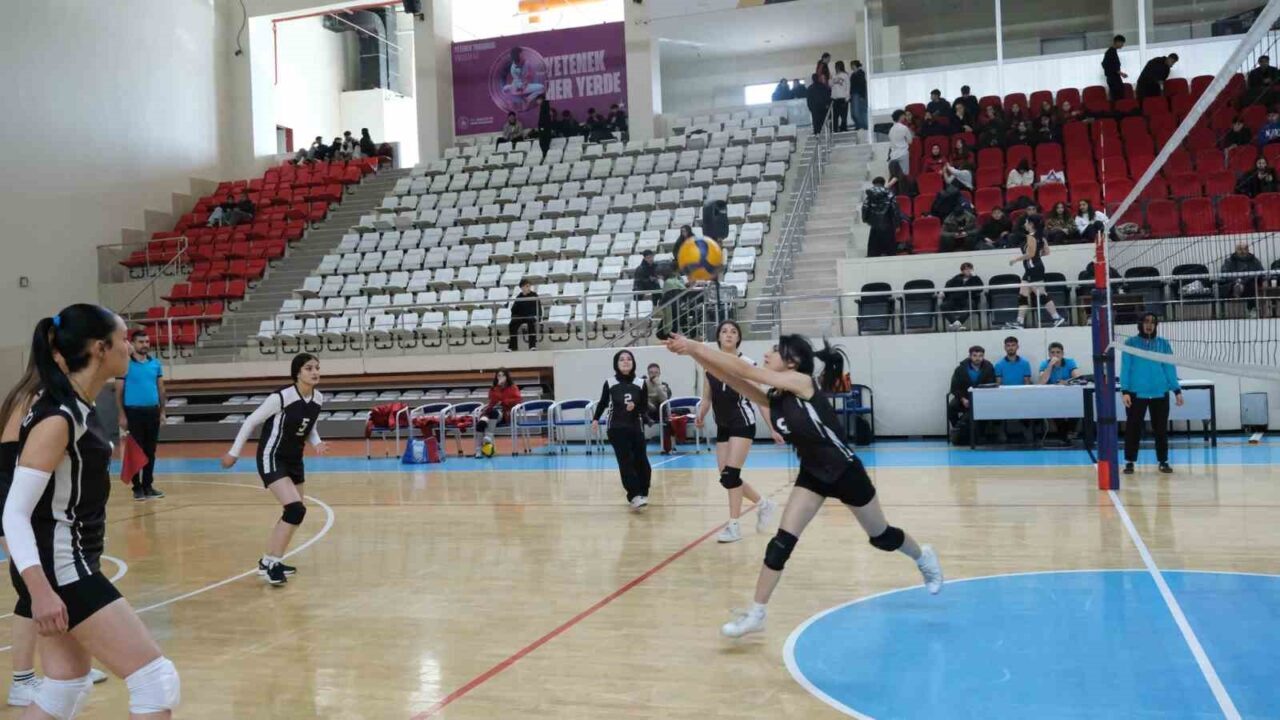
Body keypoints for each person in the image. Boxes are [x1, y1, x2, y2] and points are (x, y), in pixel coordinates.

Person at [664, 332, 943, 638]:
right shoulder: (776, 398)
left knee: (882, 537)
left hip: (846, 471)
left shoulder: (803, 382)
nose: (768, 354)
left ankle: (922, 556)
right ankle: (756, 613)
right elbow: (734, 380)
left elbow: (745, 371)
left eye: (774, 351)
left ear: (792, 362)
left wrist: (695, 346)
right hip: (812, 474)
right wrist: (692, 355)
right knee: (781, 544)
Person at [5, 305, 180, 717]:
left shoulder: (77, 406)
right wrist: (41, 591)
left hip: (66, 562)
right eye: (123, 339)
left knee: (64, 684)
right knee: (156, 680)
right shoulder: (58, 417)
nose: (129, 347)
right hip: (60, 568)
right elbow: (14, 512)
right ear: (101, 349)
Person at [221, 354, 328, 586]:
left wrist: (316, 442)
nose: (315, 372)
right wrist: (234, 453)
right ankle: (271, 563)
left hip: (295, 459)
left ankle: (269, 560)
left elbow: (310, 427)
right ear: (297, 373)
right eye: (309, 368)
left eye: (317, 368)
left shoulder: (318, 398)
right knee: (294, 509)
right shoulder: (281, 397)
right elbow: (251, 421)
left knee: (297, 513)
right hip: (272, 456)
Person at [693, 321, 781, 544]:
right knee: (726, 478)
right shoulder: (709, 364)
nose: (728, 335)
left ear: (739, 338)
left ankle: (733, 526)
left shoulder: (747, 364)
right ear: (719, 338)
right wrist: (701, 413)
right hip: (722, 424)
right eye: (724, 331)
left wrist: (773, 428)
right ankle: (763, 503)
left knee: (731, 475)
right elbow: (707, 397)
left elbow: (761, 400)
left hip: (742, 423)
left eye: (733, 332)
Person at [1121, 313, 1183, 474]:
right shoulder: (1130, 343)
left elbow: (1170, 368)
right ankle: (1129, 462)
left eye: (1153, 322)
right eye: (1146, 322)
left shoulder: (1163, 344)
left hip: (1160, 392)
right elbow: (1125, 368)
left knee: (1160, 429)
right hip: (1136, 392)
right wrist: (1125, 390)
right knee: (1133, 428)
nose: (1149, 325)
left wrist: (1176, 390)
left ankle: (1163, 461)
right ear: (1140, 324)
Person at [592, 350, 652, 510]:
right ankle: (633, 495)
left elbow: (645, 406)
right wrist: (596, 418)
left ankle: (643, 491)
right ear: (616, 364)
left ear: (633, 363)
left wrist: (636, 407)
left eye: (629, 359)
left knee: (642, 461)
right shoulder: (610, 382)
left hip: (635, 427)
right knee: (626, 461)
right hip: (616, 428)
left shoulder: (640, 383)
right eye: (622, 359)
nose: (625, 362)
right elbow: (603, 402)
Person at [115, 329, 166, 501]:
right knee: (135, 451)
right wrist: (122, 415)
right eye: (141, 342)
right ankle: (137, 488)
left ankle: (148, 485)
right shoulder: (124, 365)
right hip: (133, 412)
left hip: (152, 412)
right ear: (133, 343)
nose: (145, 345)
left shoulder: (156, 364)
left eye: (147, 341)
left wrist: (163, 411)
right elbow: (119, 392)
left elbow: (160, 388)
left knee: (150, 451)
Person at [1006, 214, 1066, 329]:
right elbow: (1047, 252)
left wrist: (1015, 259)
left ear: (1031, 224)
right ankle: (1019, 321)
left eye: (1026, 222)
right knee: (1023, 294)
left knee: (1041, 294)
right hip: (1033, 267)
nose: (1024, 224)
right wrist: (1037, 256)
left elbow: (1030, 254)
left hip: (1033, 268)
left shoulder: (1031, 237)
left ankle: (1057, 317)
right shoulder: (1041, 236)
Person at [1036, 342, 1082, 446]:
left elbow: (1078, 378)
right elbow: (1041, 382)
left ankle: (1069, 433)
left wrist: (1066, 382)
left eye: (1058, 352)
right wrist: (1050, 366)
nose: (1055, 355)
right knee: (1055, 410)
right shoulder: (1045, 364)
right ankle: (1065, 435)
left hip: (1069, 396)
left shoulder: (1070, 362)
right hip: (1053, 398)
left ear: (1062, 353)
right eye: (1052, 353)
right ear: (1049, 354)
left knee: (1078, 406)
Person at [948, 345, 996, 437]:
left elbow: (991, 384)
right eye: (975, 355)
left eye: (980, 356)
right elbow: (954, 387)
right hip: (964, 397)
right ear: (970, 356)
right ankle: (958, 430)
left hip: (982, 399)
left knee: (983, 410)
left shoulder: (989, 368)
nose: (978, 358)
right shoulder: (960, 369)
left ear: (983, 356)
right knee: (951, 407)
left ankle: (980, 434)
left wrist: (979, 399)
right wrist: (963, 399)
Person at [473, 369, 522, 458]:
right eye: (499, 375)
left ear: (507, 377)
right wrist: (498, 387)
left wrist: (504, 402)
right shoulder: (493, 388)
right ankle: (478, 450)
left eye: (503, 375)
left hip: (504, 412)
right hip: (490, 411)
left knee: (494, 412)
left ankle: (488, 436)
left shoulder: (513, 388)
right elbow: (493, 400)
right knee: (481, 424)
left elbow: (517, 400)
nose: (501, 377)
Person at [1219, 240, 1265, 317]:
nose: (1242, 251)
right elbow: (1224, 274)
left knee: (1252, 285)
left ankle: (1251, 309)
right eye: (1239, 249)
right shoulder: (1229, 261)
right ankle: (1237, 288)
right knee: (1230, 285)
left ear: (1248, 250)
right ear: (1235, 250)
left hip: (1249, 283)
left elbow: (1261, 272)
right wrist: (1237, 280)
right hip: (1233, 283)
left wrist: (1244, 280)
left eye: (1244, 249)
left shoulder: (1254, 260)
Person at [862, 177, 902, 258]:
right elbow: (895, 210)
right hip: (888, 225)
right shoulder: (890, 194)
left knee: (873, 253)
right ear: (883, 183)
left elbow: (865, 208)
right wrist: (897, 224)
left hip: (875, 226)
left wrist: (865, 219)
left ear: (874, 184)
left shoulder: (870, 195)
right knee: (890, 253)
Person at [943, 263, 983, 330]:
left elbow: (980, 288)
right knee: (943, 305)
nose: (968, 271)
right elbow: (947, 286)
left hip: (968, 299)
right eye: (965, 269)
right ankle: (955, 323)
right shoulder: (956, 278)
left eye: (969, 269)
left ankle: (958, 323)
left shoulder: (976, 278)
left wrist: (975, 277)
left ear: (972, 269)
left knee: (971, 304)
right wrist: (942, 293)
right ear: (962, 271)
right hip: (955, 300)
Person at [507, 278, 540, 351]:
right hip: (521, 316)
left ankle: (532, 346)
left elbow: (538, 308)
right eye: (527, 286)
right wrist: (514, 317)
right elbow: (514, 310)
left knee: (531, 322)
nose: (529, 288)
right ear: (522, 287)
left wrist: (538, 317)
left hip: (530, 316)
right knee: (512, 324)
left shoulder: (534, 295)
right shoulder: (519, 297)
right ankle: (513, 346)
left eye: (529, 286)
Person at [888, 110, 914, 182]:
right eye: (904, 115)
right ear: (901, 116)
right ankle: (905, 191)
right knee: (905, 174)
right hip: (903, 153)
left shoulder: (891, 129)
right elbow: (910, 141)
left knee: (894, 175)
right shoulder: (904, 128)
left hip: (893, 155)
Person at [1102, 35, 1129, 102]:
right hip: (1113, 79)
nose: (1122, 45)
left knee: (1116, 96)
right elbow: (1112, 67)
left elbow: (1105, 64)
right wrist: (1121, 73)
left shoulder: (1111, 51)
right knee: (1118, 97)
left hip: (1113, 78)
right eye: (1122, 43)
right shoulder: (1111, 52)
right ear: (1117, 42)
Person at [830, 61, 850, 133]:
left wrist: (847, 98)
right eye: (835, 66)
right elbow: (831, 86)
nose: (836, 68)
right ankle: (835, 130)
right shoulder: (834, 76)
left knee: (843, 116)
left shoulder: (845, 75)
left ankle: (843, 129)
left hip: (843, 98)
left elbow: (848, 87)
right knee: (835, 116)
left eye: (837, 66)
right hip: (835, 99)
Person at [848, 61, 868, 133]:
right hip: (854, 94)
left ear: (855, 65)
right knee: (854, 113)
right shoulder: (854, 74)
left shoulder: (860, 73)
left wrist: (862, 96)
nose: (851, 67)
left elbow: (862, 85)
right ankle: (859, 126)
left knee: (858, 112)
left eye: (852, 65)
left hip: (858, 94)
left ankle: (863, 126)